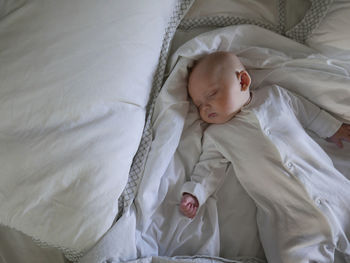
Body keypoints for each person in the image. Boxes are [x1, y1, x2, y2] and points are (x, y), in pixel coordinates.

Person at [179, 51, 350, 262]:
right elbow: (208, 168)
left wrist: (334, 129)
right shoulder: (217, 135)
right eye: (198, 105)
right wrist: (194, 193)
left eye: (212, 94)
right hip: (292, 223)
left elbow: (309, 113)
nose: (204, 107)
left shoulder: (275, 96)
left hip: (335, 193)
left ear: (243, 81)